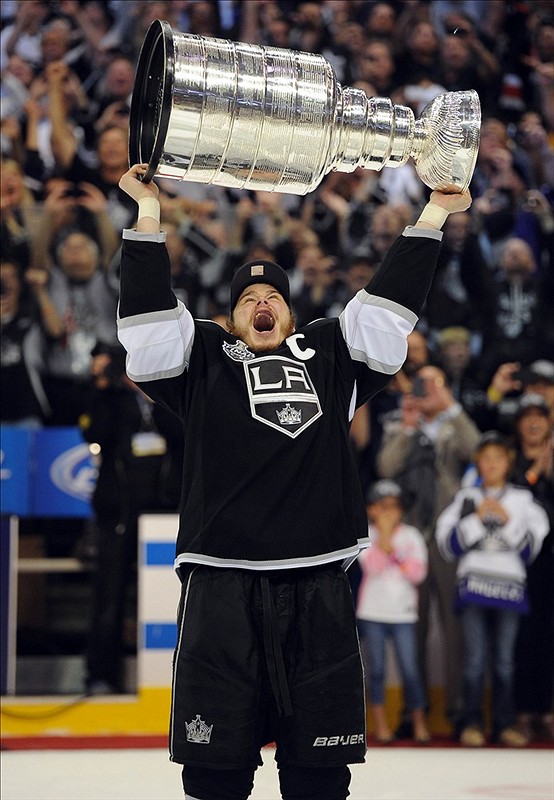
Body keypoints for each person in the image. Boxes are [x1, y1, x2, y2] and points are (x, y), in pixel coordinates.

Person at [116, 162, 470, 800]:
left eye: (273, 297)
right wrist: (147, 215)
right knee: (214, 773)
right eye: (247, 299)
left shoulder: (331, 355)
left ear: (291, 313)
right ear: (230, 320)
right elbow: (145, 329)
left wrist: (434, 214)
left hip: (317, 583)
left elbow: (387, 312)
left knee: (318, 776)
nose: (261, 303)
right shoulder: (200, 359)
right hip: (222, 581)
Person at [376, 364, 481, 736]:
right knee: (413, 629)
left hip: (449, 539)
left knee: (455, 631)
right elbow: (386, 467)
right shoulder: (402, 424)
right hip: (413, 538)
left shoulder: (455, 426)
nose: (428, 390)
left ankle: (455, 711)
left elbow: (478, 452)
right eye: (424, 384)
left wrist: (450, 405)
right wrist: (408, 425)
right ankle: (411, 712)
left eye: (436, 383)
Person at [79, 341, 183, 693]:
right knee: (108, 600)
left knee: (168, 600)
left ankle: (172, 678)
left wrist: (157, 397)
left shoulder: (170, 397)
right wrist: (104, 388)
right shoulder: (111, 400)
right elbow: (93, 433)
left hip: (165, 516)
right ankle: (99, 676)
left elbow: (185, 433)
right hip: (118, 515)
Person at [436, 431, 549, 747]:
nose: (492, 464)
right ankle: (471, 723)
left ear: (508, 462)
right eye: (485, 458)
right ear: (478, 464)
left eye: (498, 457)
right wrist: (476, 520)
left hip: (511, 588)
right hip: (473, 586)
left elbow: (530, 549)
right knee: (473, 660)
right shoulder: (465, 498)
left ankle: (504, 724)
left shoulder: (523, 500)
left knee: (504, 661)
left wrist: (504, 519)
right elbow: (449, 544)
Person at [357, 479, 430, 746]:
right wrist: (385, 541)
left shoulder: (411, 536)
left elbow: (417, 573)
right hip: (372, 612)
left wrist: (393, 553)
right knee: (375, 671)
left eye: (394, 506)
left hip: (403, 614)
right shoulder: (366, 535)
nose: (388, 511)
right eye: (382, 505)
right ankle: (380, 726)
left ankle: (420, 724)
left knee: (410, 670)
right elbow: (372, 567)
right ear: (371, 509)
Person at [510, 394, 554, 743]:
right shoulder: (513, 462)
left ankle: (549, 712)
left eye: (541, 416)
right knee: (523, 639)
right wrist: (537, 470)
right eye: (528, 416)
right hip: (520, 564)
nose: (535, 422)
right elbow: (510, 500)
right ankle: (524, 712)